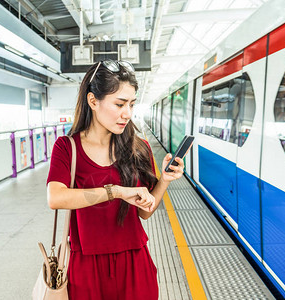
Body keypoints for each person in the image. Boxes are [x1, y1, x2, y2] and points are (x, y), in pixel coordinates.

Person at [46, 60, 185, 300]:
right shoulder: (68, 148)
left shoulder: (138, 148)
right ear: (93, 101)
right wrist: (117, 192)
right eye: (119, 104)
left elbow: (144, 212)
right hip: (86, 267)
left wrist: (163, 181)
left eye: (131, 104)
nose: (127, 113)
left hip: (134, 262)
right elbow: (56, 198)